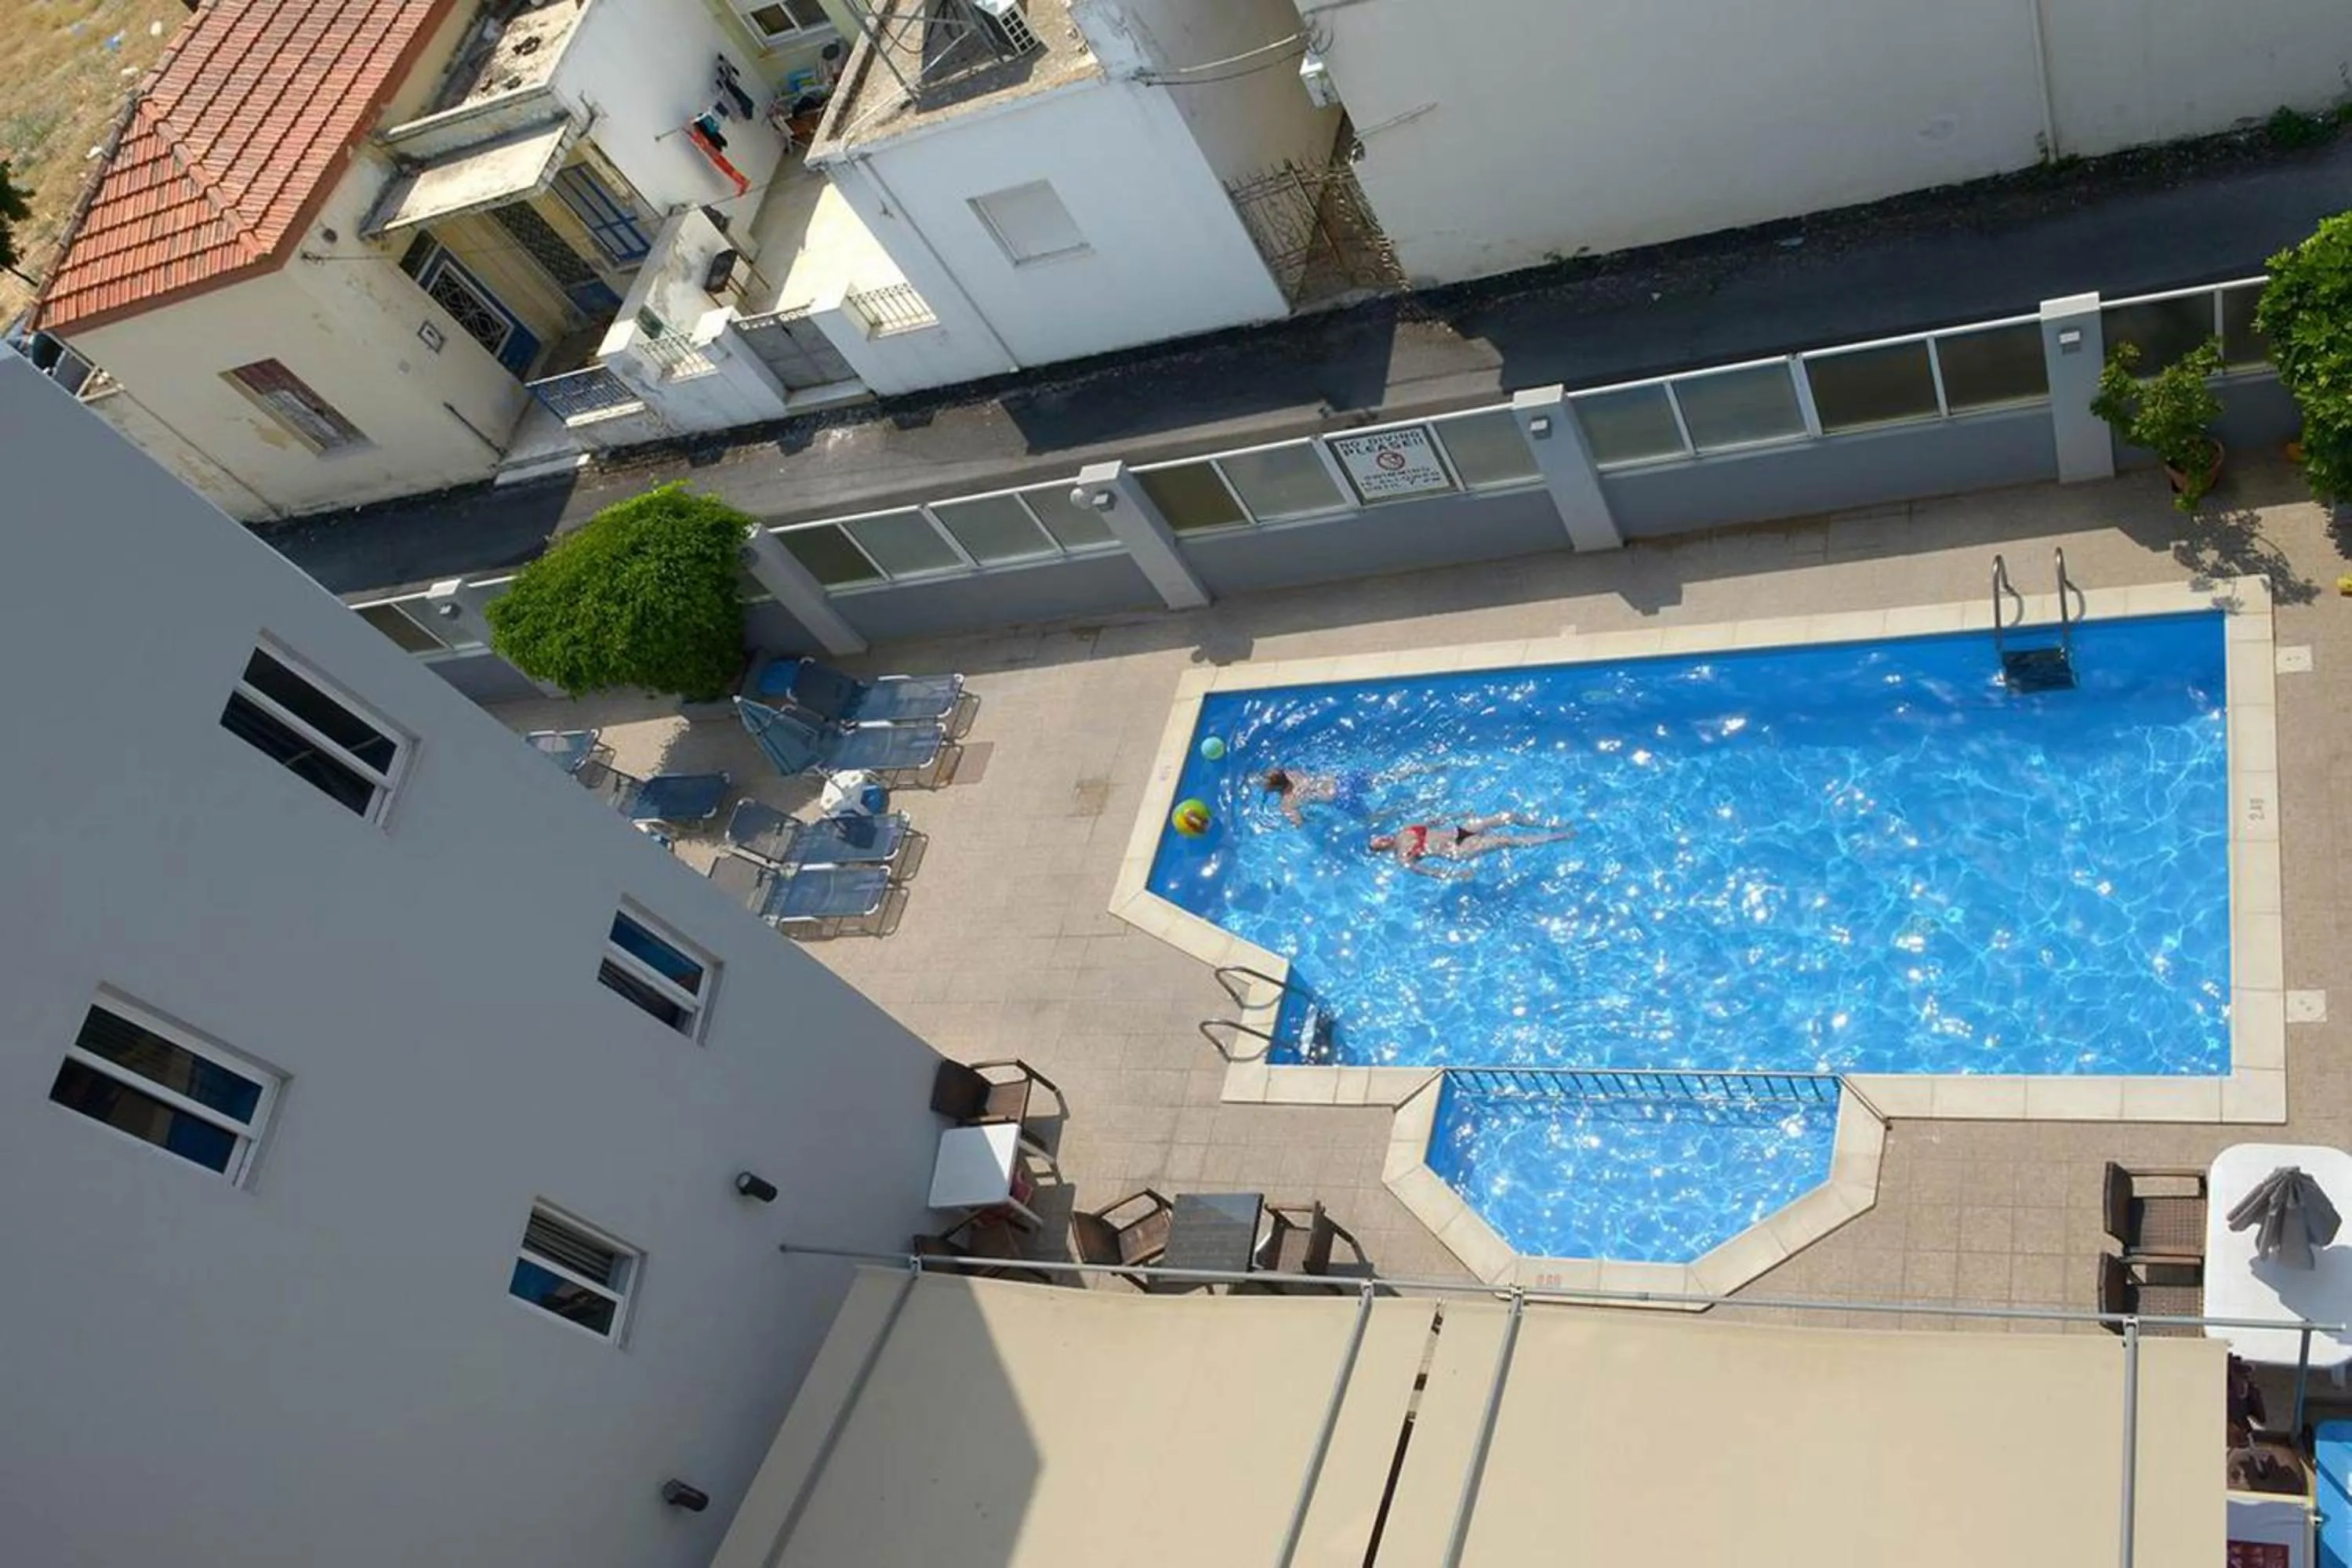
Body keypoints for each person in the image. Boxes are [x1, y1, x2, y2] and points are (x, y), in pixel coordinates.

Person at [1369, 813, 1576, 879]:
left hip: (1458, 832)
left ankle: (1548, 824)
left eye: (1378, 837)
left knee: (1507, 815)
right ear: (1383, 849)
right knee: (1505, 840)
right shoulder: (1403, 857)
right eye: (1378, 844)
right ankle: (1558, 836)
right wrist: (1455, 875)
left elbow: (1433, 821)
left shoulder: (1406, 829)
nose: (1381, 839)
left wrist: (1458, 816)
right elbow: (1427, 870)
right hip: (1456, 850)